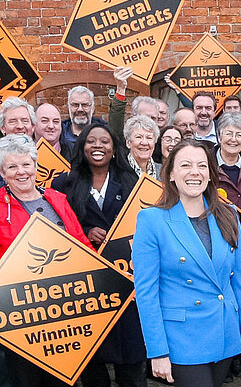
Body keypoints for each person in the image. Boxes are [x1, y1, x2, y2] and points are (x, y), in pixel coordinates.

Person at [131, 139, 241, 387]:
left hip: (224, 333)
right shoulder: (151, 220)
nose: (194, 172)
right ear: (170, 174)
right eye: (185, 165)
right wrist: (157, 352)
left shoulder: (228, 213)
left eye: (202, 166)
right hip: (182, 339)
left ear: (211, 174)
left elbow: (240, 281)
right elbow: (147, 294)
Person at [51, 124, 146, 387]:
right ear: (82, 147)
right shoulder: (64, 182)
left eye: (104, 141)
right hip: (86, 282)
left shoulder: (130, 181)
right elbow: (55, 227)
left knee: (131, 355)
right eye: (91, 141)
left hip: (126, 277)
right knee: (93, 358)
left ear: (115, 148)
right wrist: (85, 230)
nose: (98, 146)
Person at [0, 134, 92, 387]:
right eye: (12, 166)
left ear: (35, 166)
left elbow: (82, 245)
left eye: (26, 164)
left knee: (63, 380)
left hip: (64, 312)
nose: (21, 172)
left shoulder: (57, 199)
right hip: (19, 315)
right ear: (3, 172)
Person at [123, 115, 161, 180]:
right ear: (128, 143)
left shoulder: (162, 171)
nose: (144, 142)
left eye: (149, 138)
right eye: (138, 137)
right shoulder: (118, 170)